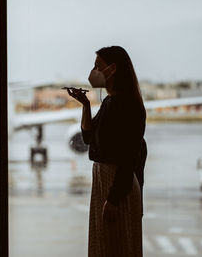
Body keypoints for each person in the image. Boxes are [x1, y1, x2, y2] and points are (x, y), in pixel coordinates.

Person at [67, 46, 146, 257]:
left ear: (112, 70)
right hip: (106, 182)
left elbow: (129, 158)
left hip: (116, 186)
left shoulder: (127, 105)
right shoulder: (110, 102)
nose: (93, 71)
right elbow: (88, 138)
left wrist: (113, 198)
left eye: (97, 66)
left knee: (114, 247)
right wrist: (85, 105)